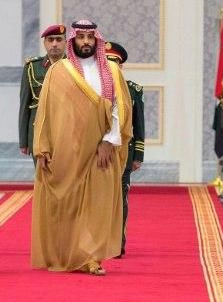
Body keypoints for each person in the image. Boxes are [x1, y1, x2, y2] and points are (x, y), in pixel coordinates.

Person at [31, 20, 132, 276]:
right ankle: (68, 254)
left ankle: (92, 257)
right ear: (73, 40)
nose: (85, 42)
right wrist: (42, 148)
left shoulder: (111, 69)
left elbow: (119, 109)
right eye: (81, 37)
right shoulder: (59, 70)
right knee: (68, 203)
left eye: (90, 37)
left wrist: (109, 141)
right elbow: (46, 113)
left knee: (98, 203)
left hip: (101, 149)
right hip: (67, 149)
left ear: (96, 40)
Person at [104, 41, 145, 258]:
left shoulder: (132, 90)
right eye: (107, 61)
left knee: (121, 195)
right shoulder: (92, 87)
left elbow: (139, 125)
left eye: (115, 62)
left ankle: (117, 243)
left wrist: (138, 155)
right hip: (98, 153)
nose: (111, 66)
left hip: (124, 153)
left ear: (121, 66)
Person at [19, 24, 66, 159]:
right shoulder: (32, 67)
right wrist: (24, 140)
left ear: (66, 42)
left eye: (59, 39)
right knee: (41, 176)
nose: (55, 44)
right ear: (44, 43)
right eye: (50, 40)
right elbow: (24, 105)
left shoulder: (74, 67)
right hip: (38, 131)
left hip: (66, 131)